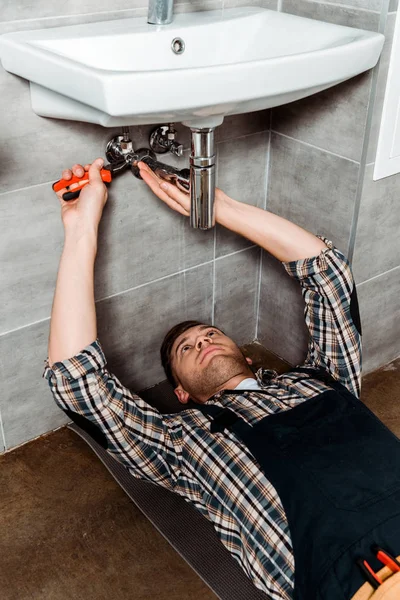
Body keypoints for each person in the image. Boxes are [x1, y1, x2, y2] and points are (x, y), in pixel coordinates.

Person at [43, 159, 400, 600]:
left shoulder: (324, 378)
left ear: (246, 356)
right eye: (185, 349)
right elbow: (77, 383)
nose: (201, 342)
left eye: (209, 333)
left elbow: (327, 275)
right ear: (181, 392)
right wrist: (82, 229)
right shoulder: (178, 442)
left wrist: (223, 207)